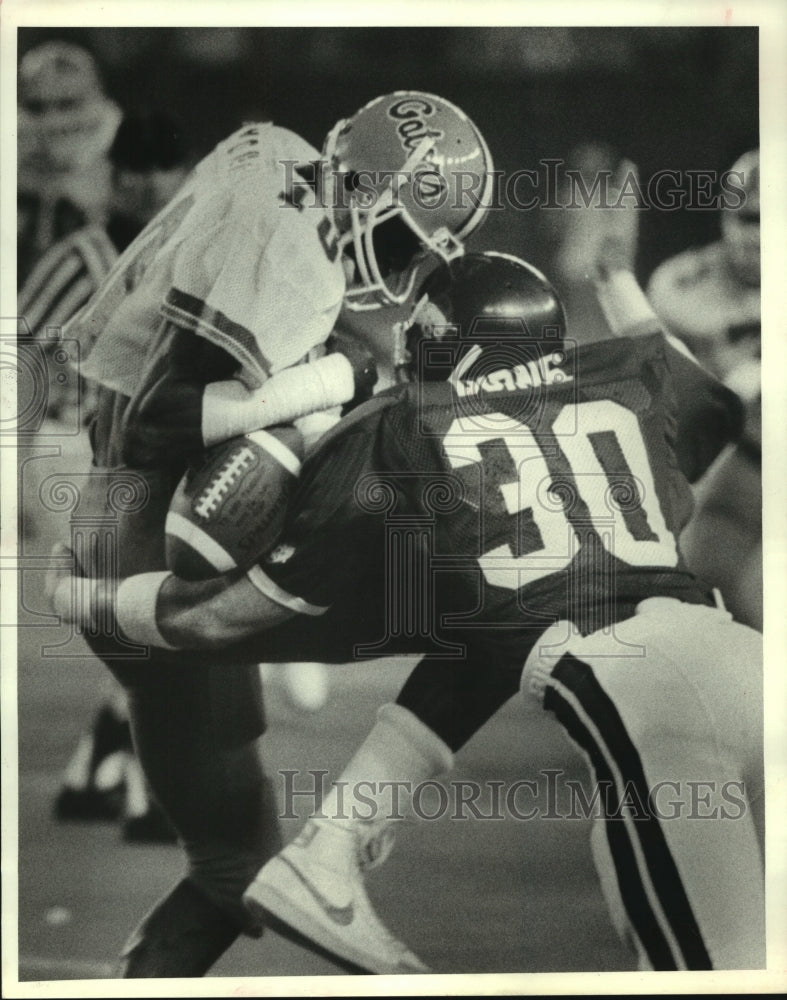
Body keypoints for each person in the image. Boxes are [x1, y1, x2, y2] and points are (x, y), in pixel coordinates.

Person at [51, 186, 763, 973]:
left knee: (712, 970)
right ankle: (330, 850)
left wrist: (78, 596)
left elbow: (213, 620)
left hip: (644, 709)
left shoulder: (405, 430)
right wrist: (618, 284)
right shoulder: (629, 381)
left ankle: (328, 851)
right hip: (748, 665)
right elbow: (717, 407)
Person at [45, 90, 494, 977]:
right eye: (403, 236)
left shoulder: (277, 151)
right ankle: (337, 868)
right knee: (237, 872)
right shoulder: (293, 260)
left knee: (231, 859)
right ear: (368, 189)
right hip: (152, 526)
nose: (401, 267)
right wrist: (322, 380)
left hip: (123, 505)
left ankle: (338, 845)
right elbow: (159, 418)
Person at [19, 112, 191, 841]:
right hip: (72, 448)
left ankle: (89, 776)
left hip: (131, 455)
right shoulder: (79, 257)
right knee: (145, 618)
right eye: (146, 172)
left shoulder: (185, 254)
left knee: (132, 618)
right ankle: (148, 796)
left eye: (171, 170)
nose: (162, 186)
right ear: (120, 179)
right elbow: (22, 359)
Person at [647, 149, 761, 629]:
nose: (759, 236)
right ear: (725, 216)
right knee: (708, 600)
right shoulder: (682, 283)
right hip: (737, 469)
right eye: (750, 218)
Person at [18, 41, 122, 288]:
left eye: (68, 104)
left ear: (100, 101)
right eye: (36, 107)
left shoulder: (129, 172)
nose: (52, 122)